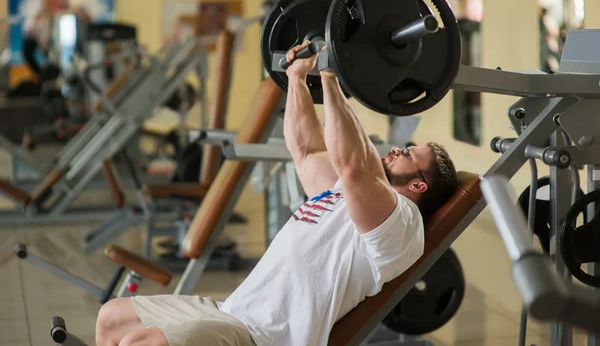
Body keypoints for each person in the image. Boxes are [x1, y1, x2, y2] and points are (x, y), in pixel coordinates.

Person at [95, 40, 459, 346]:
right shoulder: (343, 195)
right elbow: (306, 150)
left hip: (262, 336)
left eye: (409, 155)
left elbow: (353, 165)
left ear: (418, 186)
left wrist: (332, 76)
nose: (398, 150)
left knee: (143, 344)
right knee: (113, 318)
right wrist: (297, 78)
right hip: (230, 310)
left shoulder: (402, 222)